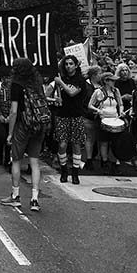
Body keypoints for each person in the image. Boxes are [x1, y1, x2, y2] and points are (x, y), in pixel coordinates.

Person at [1, 58, 45, 212]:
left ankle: (15, 196)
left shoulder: (16, 84)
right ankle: (34, 199)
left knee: (16, 161)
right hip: (39, 125)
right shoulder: (37, 83)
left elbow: (14, 111)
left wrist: (10, 133)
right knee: (34, 163)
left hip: (23, 125)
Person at [54, 55, 87, 184]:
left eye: (71, 64)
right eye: (66, 64)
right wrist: (56, 99)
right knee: (62, 144)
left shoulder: (80, 80)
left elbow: (72, 93)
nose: (68, 66)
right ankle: (64, 170)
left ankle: (75, 172)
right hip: (62, 115)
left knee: (76, 144)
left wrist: (61, 82)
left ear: (76, 65)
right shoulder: (61, 78)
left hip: (76, 115)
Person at [88, 72, 124, 175]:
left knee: (115, 142)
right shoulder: (98, 92)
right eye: (112, 80)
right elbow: (90, 105)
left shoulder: (116, 91)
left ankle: (115, 162)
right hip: (103, 119)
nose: (114, 82)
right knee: (104, 142)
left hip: (115, 119)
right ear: (106, 81)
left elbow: (120, 104)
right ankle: (104, 162)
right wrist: (98, 111)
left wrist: (121, 111)